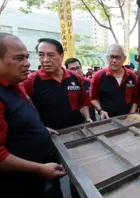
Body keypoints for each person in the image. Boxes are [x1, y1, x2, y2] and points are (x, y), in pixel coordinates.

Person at [0, 32, 66, 198]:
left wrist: (39, 130)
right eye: (19, 58)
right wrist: (39, 168)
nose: (28, 64)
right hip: (4, 190)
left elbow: (18, 119)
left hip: (29, 184)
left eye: (27, 57)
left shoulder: (13, 84)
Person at [22, 38, 92, 198]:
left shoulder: (75, 78)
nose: (45, 60)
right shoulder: (31, 81)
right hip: (47, 142)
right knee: (50, 185)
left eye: (51, 55)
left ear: (61, 56)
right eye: (41, 55)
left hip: (75, 137)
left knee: (80, 178)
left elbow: (83, 102)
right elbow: (23, 112)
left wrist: (87, 117)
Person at [90, 44, 139, 120]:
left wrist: (131, 114)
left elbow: (135, 99)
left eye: (118, 57)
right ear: (107, 58)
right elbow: (93, 98)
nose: (114, 61)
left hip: (128, 119)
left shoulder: (132, 76)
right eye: (111, 57)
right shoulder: (98, 76)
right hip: (107, 120)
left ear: (124, 58)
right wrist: (101, 111)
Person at [65, 57, 96, 122]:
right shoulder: (65, 85)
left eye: (78, 68)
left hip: (91, 117)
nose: (76, 71)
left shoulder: (90, 82)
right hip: (74, 120)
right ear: (67, 70)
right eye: (72, 69)